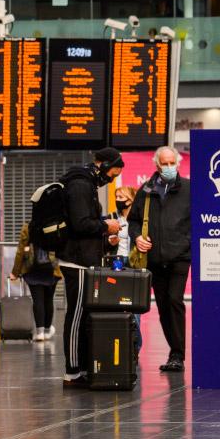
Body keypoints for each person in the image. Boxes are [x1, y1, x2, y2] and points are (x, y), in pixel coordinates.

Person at [59, 148, 123, 388]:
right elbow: (81, 223)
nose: (110, 179)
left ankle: (82, 367)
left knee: (84, 316)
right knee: (76, 316)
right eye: (111, 173)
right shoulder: (80, 185)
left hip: (84, 260)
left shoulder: (87, 184)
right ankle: (72, 372)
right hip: (77, 262)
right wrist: (107, 226)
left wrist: (106, 239)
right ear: (102, 165)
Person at [128, 146, 190, 373]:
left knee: (174, 300)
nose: (168, 167)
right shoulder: (146, 190)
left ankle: (178, 354)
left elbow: (197, 221)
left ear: (178, 163)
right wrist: (137, 238)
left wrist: (186, 243)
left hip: (180, 257)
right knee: (163, 306)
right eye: (164, 163)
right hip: (154, 258)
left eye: (172, 162)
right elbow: (134, 221)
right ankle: (174, 353)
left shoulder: (188, 190)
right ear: (156, 165)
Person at [11, 222, 62, 341]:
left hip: (32, 269)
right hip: (51, 269)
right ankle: (48, 330)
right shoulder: (55, 225)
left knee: (37, 300)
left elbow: (20, 251)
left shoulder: (27, 227)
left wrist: (15, 272)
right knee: (48, 300)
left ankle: (39, 332)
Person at [112, 186, 143, 358]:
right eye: (117, 196)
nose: (119, 199)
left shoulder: (138, 221)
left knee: (134, 307)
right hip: (116, 262)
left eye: (122, 196)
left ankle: (135, 345)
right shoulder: (112, 218)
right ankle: (122, 344)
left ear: (132, 199)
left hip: (134, 263)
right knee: (117, 305)